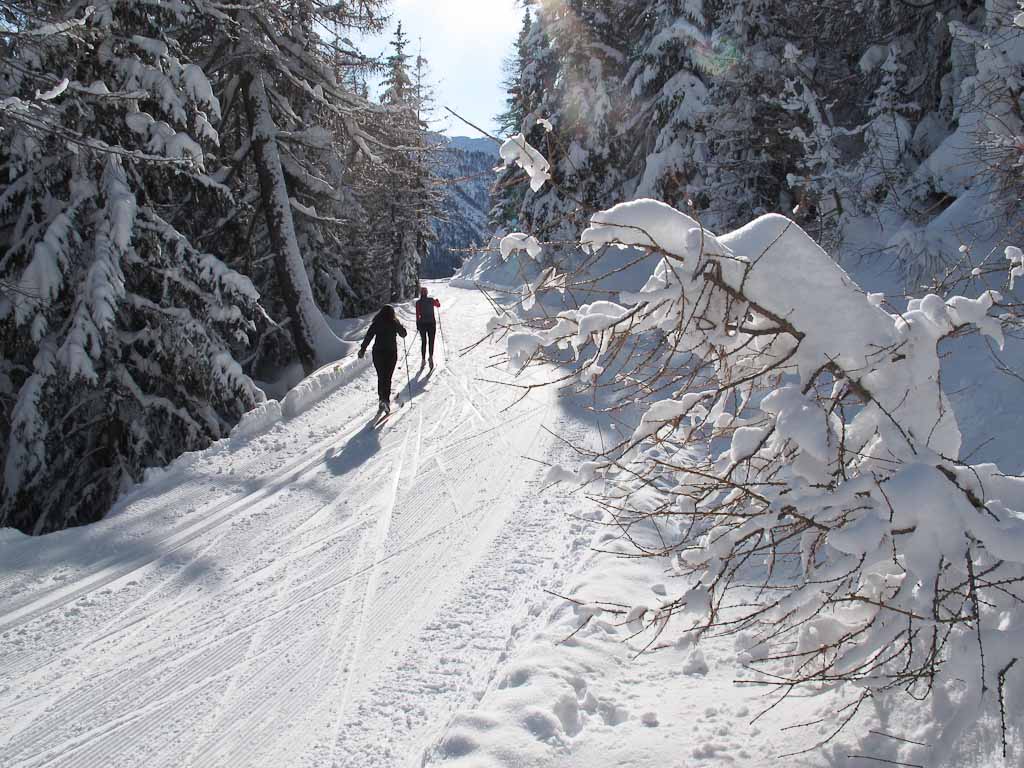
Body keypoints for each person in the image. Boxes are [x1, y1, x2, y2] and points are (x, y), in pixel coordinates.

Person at [358, 305, 407, 414]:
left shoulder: (377, 323)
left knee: (381, 376)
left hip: (378, 353)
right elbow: (403, 334)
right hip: (391, 353)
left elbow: (368, 336)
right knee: (387, 377)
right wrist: (399, 324)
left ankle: (381, 399)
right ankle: (386, 400)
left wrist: (362, 349)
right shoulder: (394, 322)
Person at [415, 287, 441, 369]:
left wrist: (417, 325)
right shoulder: (431, 300)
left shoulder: (418, 303)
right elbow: (438, 305)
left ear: (420, 293)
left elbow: (417, 315)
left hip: (422, 324)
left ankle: (423, 360)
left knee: (424, 342)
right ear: (426, 293)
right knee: (431, 341)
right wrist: (437, 301)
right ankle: (430, 357)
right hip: (431, 324)